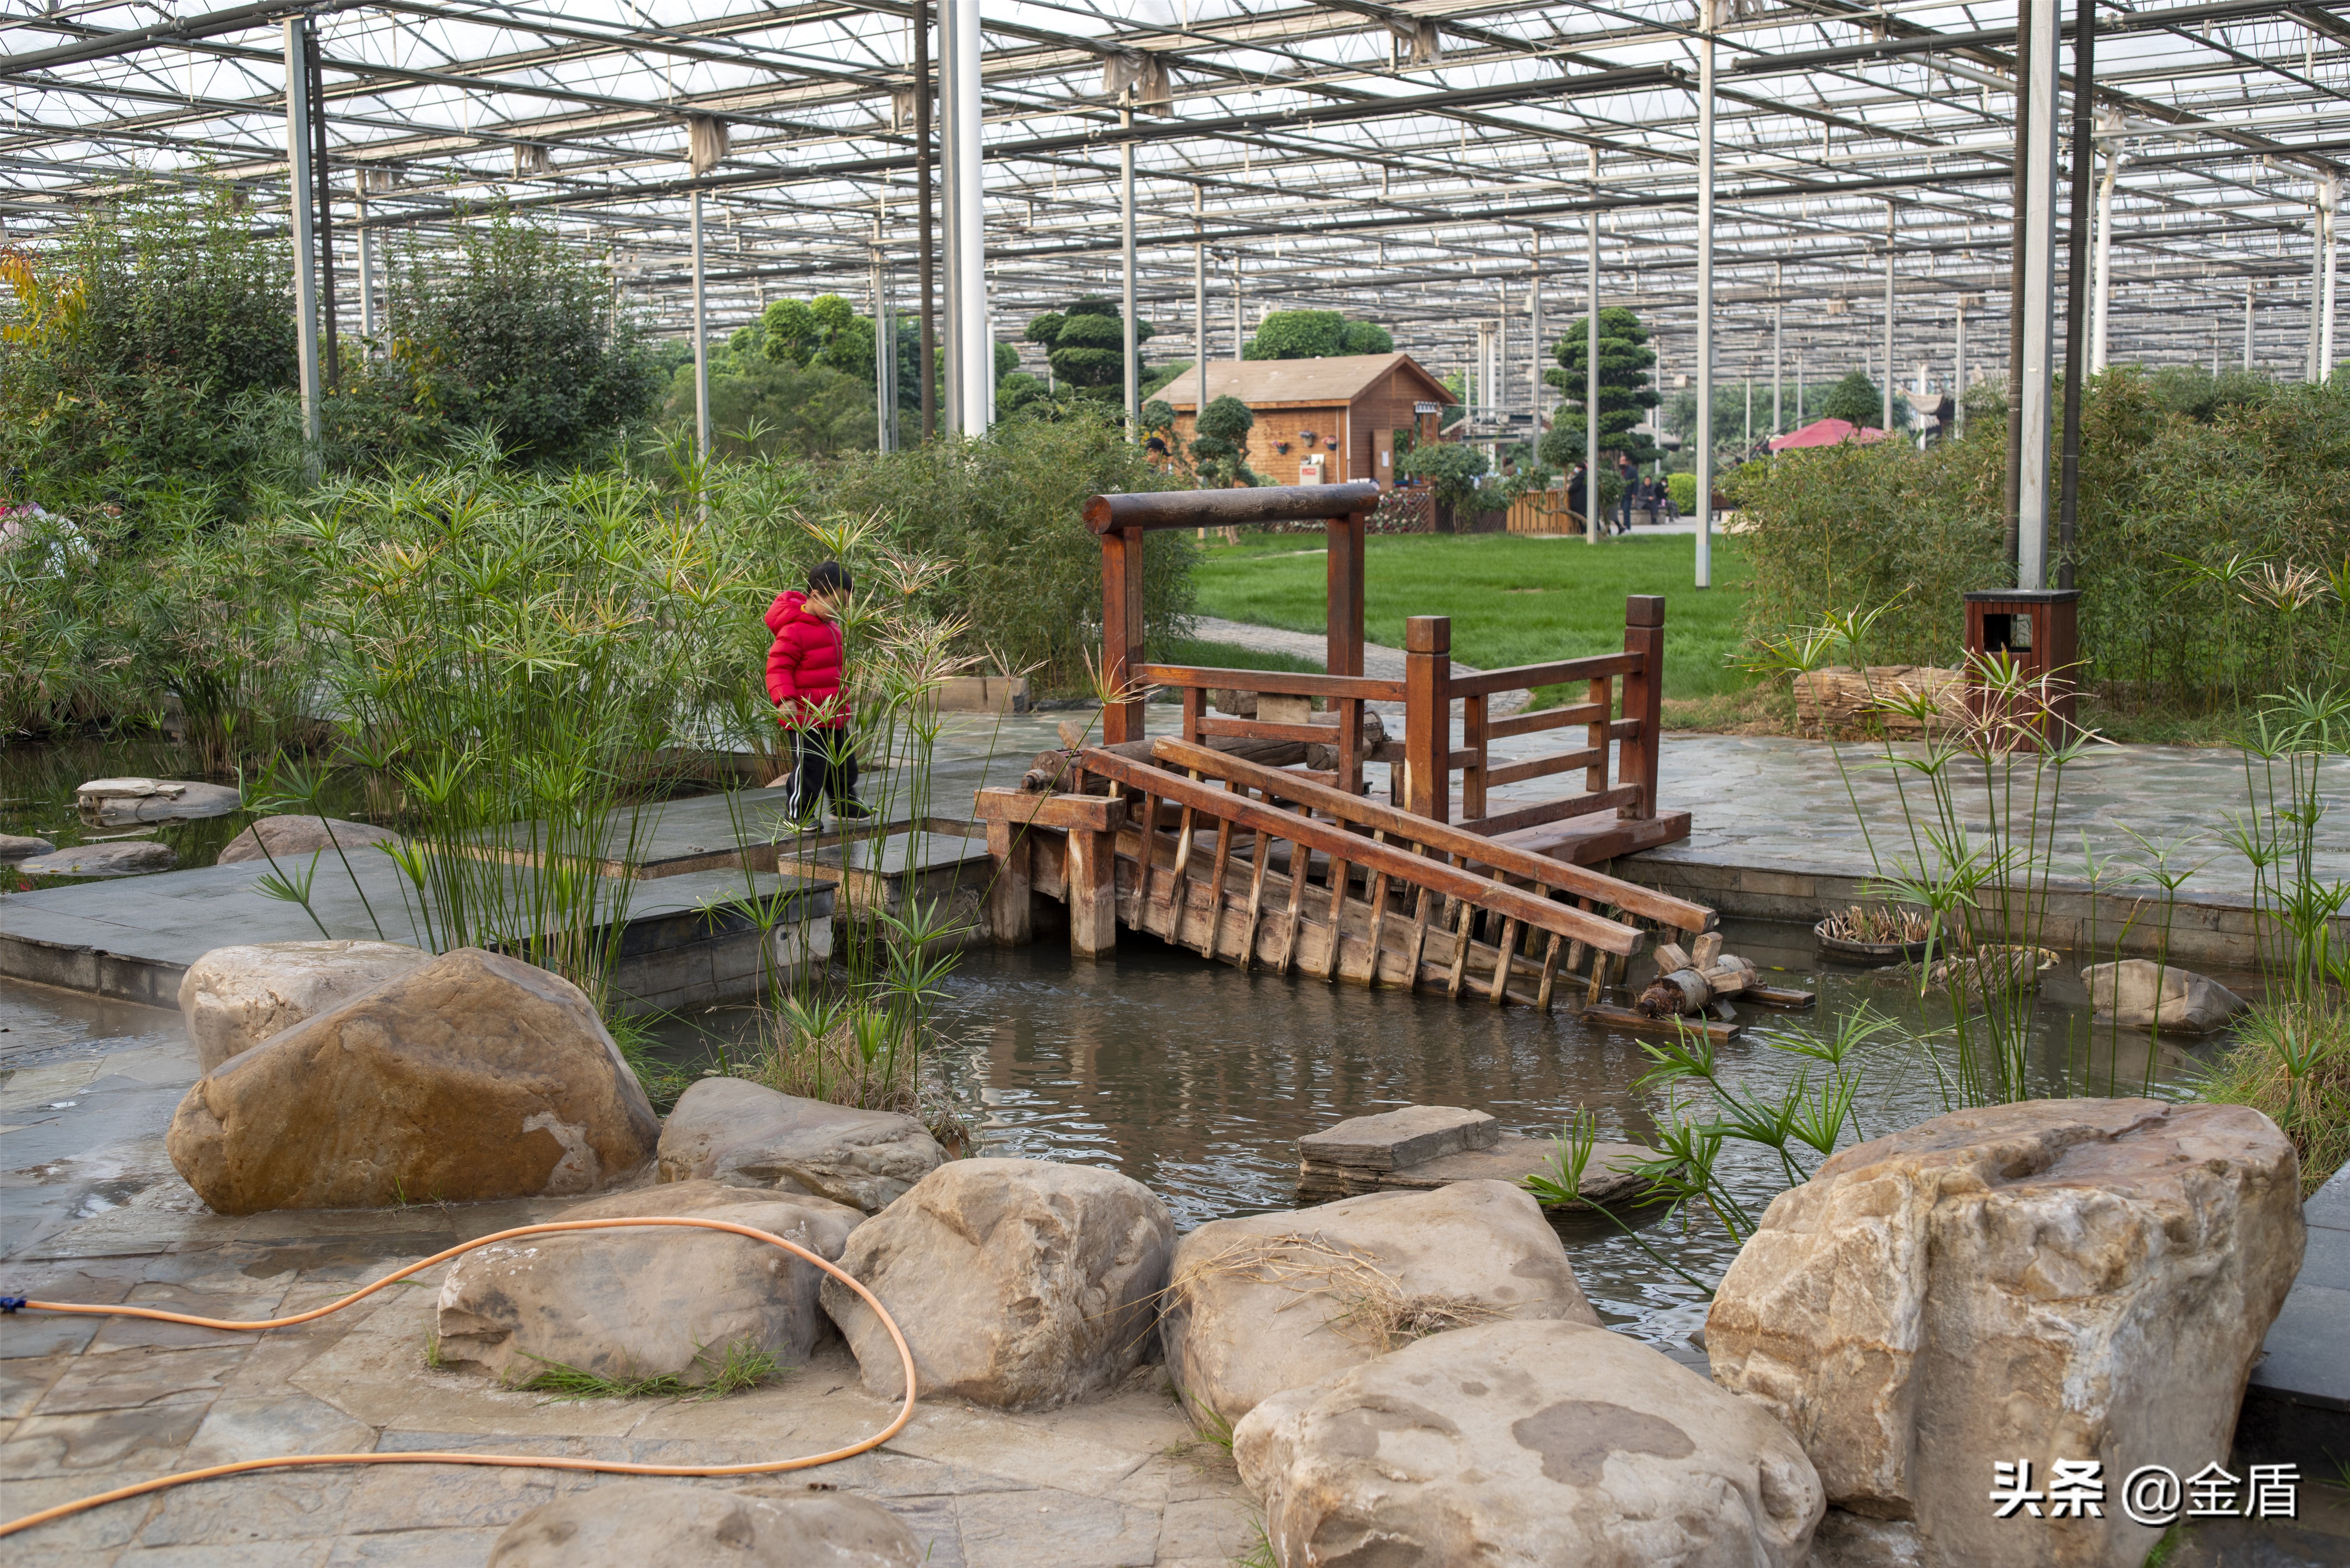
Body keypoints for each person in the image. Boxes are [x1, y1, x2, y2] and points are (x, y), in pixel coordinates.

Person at [765, 559, 871, 822]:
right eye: (836, 605)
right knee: (811, 769)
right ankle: (799, 814)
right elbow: (778, 668)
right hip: (807, 717)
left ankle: (844, 805)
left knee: (843, 764)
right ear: (815, 595)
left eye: (843, 607)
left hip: (833, 713)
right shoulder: (793, 630)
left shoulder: (832, 628)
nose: (839, 612)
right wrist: (785, 700)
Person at [1618, 454, 1638, 534]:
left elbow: (1636, 482)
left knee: (1626, 510)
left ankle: (1627, 527)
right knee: (1624, 509)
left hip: (1629, 493)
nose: (1621, 463)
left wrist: (1634, 493)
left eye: (1623, 461)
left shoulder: (1632, 470)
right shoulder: (1621, 471)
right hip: (1621, 494)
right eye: (1620, 461)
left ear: (1627, 462)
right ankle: (1624, 526)